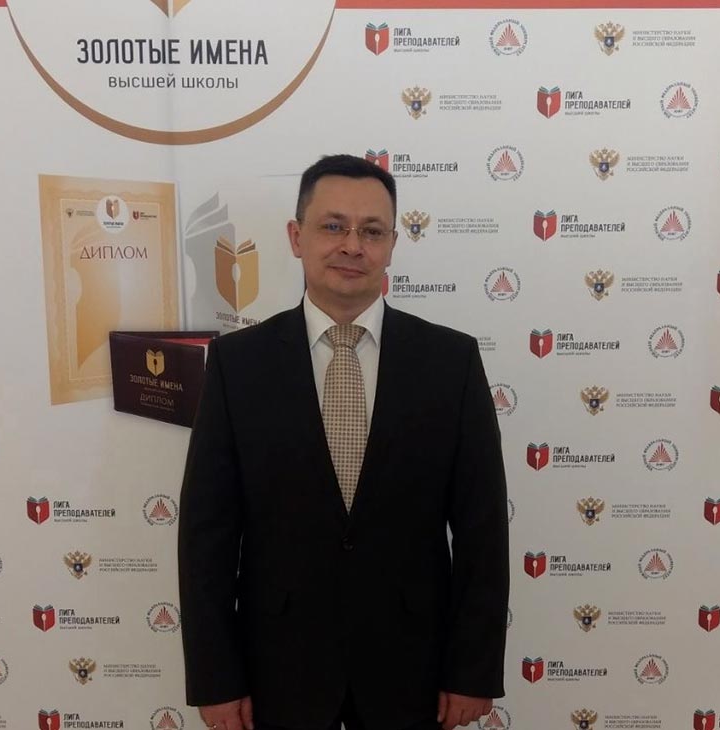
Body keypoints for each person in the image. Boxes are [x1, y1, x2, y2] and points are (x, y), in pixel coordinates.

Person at [178, 154, 509, 730]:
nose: (352, 246)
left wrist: (472, 670)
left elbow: (482, 529)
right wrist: (216, 677)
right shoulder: (238, 364)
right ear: (296, 236)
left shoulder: (450, 362)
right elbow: (207, 535)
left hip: (414, 669)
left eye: (372, 231)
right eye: (333, 226)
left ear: (392, 245)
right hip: (277, 669)